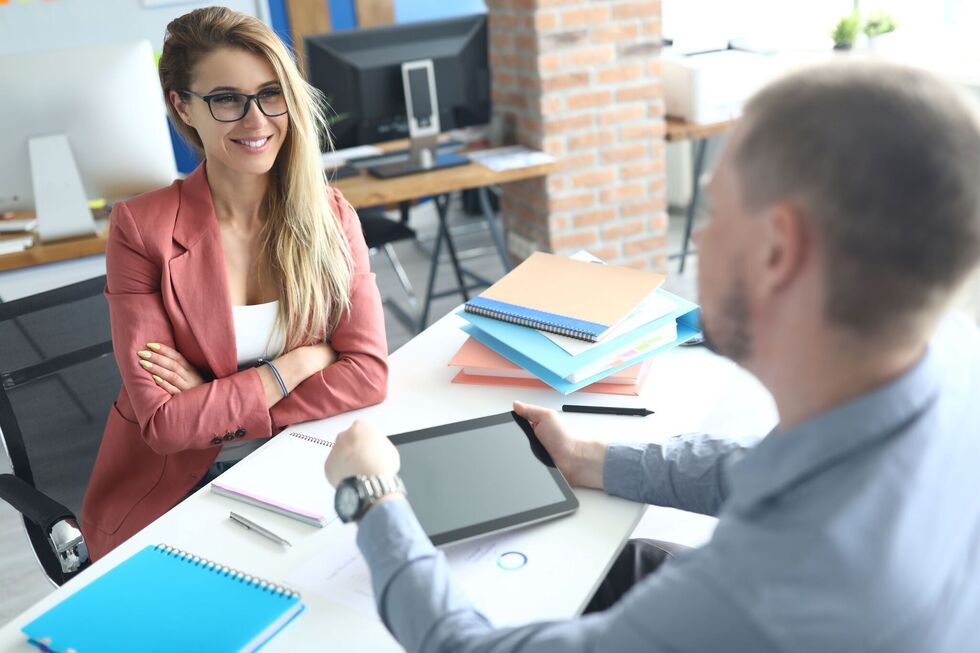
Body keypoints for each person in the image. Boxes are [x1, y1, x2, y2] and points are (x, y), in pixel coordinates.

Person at [323, 61, 980, 652]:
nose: (697, 232)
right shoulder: (933, 360)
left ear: (779, 249)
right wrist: (586, 457)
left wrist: (373, 495)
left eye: (718, 207)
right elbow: (764, 468)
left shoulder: (778, 586)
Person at [81, 7, 388, 559]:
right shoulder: (142, 230)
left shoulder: (331, 216)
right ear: (183, 106)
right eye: (227, 99)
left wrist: (214, 400)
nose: (257, 120)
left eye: (271, 94)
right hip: (176, 493)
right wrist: (292, 366)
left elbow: (367, 376)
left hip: (302, 469)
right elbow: (167, 427)